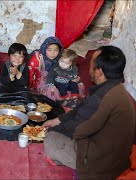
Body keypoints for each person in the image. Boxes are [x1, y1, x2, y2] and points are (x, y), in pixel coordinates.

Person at [43, 46, 136, 179]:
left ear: (99, 72)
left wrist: (53, 130)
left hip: (101, 163)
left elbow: (77, 129)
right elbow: (82, 109)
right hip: (115, 155)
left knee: (52, 140)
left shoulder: (102, 97)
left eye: (92, 64)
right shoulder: (115, 88)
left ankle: (71, 162)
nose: (88, 68)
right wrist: (58, 120)